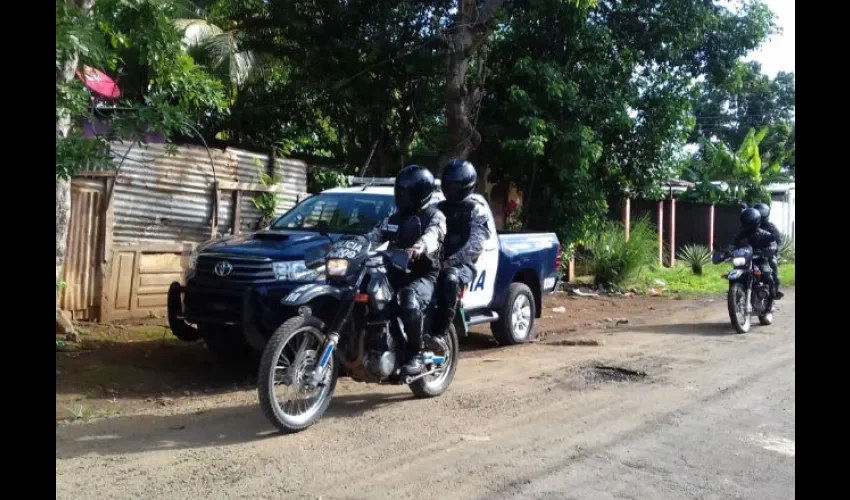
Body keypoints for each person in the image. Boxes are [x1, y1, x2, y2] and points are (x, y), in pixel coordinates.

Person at [365, 164, 446, 375]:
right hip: (394, 272)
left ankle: (416, 354)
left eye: (406, 192)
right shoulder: (393, 218)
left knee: (409, 301)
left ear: (419, 194)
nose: (401, 196)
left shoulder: (435, 216)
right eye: (399, 191)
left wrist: (418, 248)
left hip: (423, 275)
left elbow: (433, 236)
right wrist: (350, 246)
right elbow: (372, 238)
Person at [432, 158, 494, 339]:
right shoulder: (436, 207)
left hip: (462, 265)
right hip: (435, 261)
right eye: (449, 183)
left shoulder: (476, 210)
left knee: (450, 279)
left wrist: (448, 262)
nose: (451, 188)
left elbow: (475, 246)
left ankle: (442, 331)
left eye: (455, 184)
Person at [733, 207, 780, 302]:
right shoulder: (741, 234)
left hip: (760, 258)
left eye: (749, 224)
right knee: (735, 272)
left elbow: (774, 241)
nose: (747, 227)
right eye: (746, 223)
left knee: (768, 274)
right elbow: (734, 245)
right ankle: (734, 293)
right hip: (746, 258)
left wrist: (772, 249)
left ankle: (771, 299)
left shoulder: (764, 232)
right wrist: (725, 252)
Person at [752, 202, 784, 300]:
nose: (761, 214)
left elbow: (778, 241)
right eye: (758, 212)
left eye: (762, 212)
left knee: (773, 264)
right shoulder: (750, 226)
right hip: (752, 253)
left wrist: (774, 249)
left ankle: (775, 290)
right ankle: (738, 287)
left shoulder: (771, 227)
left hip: (767, 253)